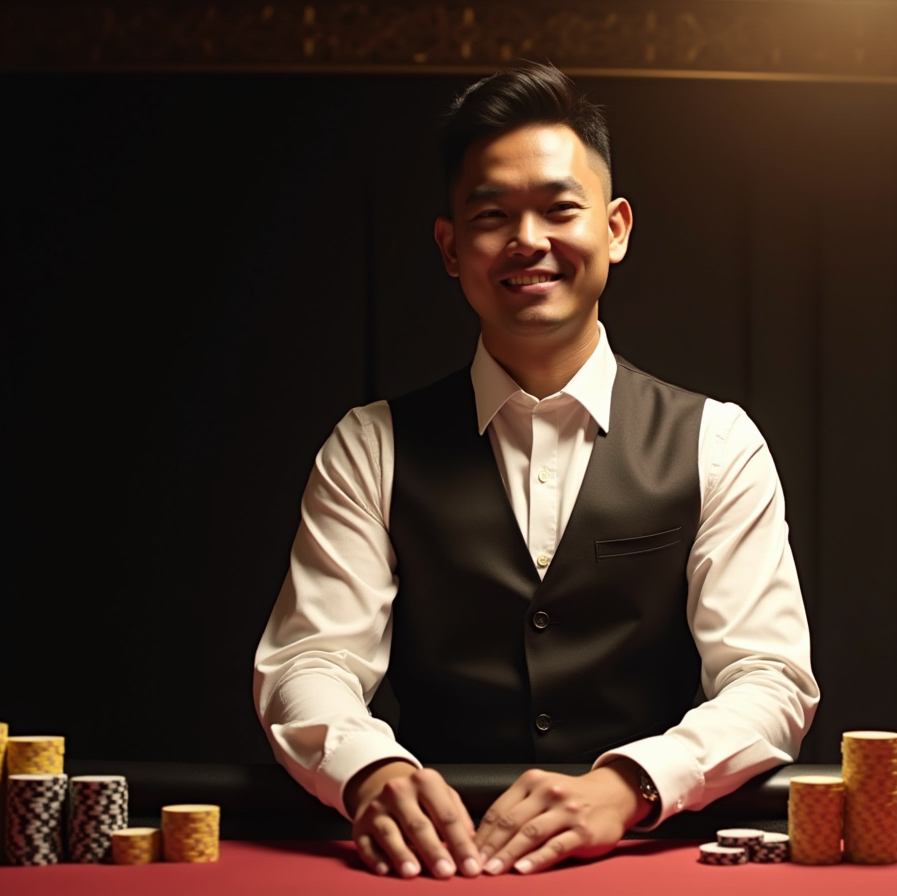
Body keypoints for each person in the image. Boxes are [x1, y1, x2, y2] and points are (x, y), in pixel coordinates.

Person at [252, 62, 820, 880]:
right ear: (451, 247)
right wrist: (371, 772)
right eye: (492, 215)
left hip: (643, 859)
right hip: (439, 859)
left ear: (616, 229)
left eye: (559, 208)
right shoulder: (371, 445)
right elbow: (311, 661)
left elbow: (769, 679)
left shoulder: (719, 442)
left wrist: (629, 784)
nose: (527, 240)